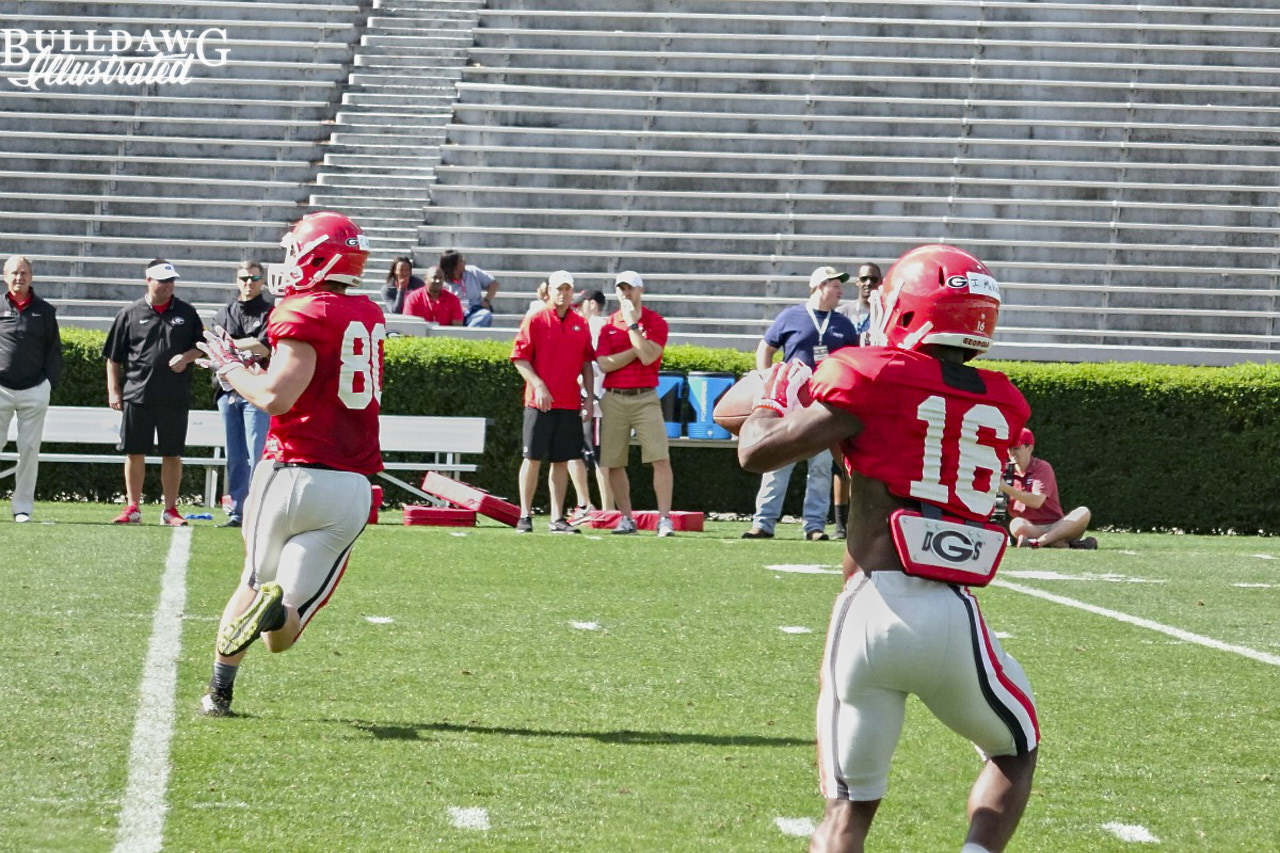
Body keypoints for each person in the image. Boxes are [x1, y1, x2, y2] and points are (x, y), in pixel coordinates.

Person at [736, 244, 1039, 853]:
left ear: (904, 306)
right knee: (1015, 746)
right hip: (954, 613)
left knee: (847, 812)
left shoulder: (867, 373)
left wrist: (772, 397)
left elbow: (755, 452)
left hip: (871, 604)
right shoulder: (1004, 401)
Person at [196, 211, 385, 717]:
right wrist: (258, 368)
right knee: (283, 628)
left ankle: (219, 693)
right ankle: (276, 611)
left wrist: (232, 368)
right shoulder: (367, 314)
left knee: (251, 582)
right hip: (348, 490)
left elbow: (277, 399)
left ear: (316, 257)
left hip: (289, 474)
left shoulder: (303, 310)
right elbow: (318, 380)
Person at [742, 266, 859, 542]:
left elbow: (854, 361)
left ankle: (814, 526)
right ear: (819, 286)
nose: (841, 291)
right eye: (835, 285)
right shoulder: (791, 316)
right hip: (790, 402)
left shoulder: (843, 324)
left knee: (819, 467)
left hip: (822, 404)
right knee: (777, 463)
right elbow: (766, 347)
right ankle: (763, 523)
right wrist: (766, 377)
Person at [103, 259, 204, 526]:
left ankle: (170, 510)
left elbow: (202, 346)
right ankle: (132, 507)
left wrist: (186, 357)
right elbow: (113, 357)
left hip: (174, 396)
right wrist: (114, 391)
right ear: (149, 280)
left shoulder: (186, 312)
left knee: (172, 453)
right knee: (135, 451)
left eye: (172, 281)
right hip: (137, 394)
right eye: (163, 281)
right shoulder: (130, 313)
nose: (169, 285)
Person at [509, 270, 595, 533]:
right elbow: (519, 358)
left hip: (568, 403)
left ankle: (557, 518)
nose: (563, 293)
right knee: (532, 458)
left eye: (568, 289)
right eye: (559, 288)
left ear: (573, 292)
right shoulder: (535, 319)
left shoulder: (580, 324)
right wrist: (539, 385)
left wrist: (589, 399)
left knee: (562, 460)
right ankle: (524, 515)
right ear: (549, 290)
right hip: (538, 404)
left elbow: (586, 364)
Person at [595, 271, 675, 537]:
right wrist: (636, 349)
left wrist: (631, 327)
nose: (625, 294)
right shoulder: (608, 324)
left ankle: (664, 519)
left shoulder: (656, 321)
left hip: (645, 396)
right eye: (621, 289)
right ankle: (627, 519)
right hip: (614, 396)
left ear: (640, 291)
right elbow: (606, 364)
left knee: (660, 457)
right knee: (614, 461)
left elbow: (650, 356)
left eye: (630, 288)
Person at [211, 260, 273, 528]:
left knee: (257, 454)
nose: (249, 283)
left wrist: (233, 345)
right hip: (227, 391)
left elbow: (265, 347)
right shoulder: (225, 311)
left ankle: (260, 509)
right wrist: (244, 346)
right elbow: (215, 342)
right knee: (235, 456)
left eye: (255, 278)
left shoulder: (271, 313)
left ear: (263, 281)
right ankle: (237, 510)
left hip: (257, 390)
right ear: (237, 281)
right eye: (245, 278)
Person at [0, 255, 62, 523]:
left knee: (29, 448)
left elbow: (54, 352)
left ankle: (22, 507)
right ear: (5, 276)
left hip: (34, 390)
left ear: (31, 277)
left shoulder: (45, 311)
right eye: (14, 273)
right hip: (0, 389)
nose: (19, 277)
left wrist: (48, 384)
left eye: (24, 273)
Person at [831, 262, 882, 537]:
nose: (867, 283)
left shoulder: (887, 314)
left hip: (876, 391)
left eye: (873, 279)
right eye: (863, 279)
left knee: (872, 459)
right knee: (840, 461)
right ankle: (841, 524)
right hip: (848, 388)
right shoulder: (842, 314)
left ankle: (869, 519)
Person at [1000, 427, 1096, 549]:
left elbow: (1037, 501)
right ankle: (1059, 543)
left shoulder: (1042, 467)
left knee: (1083, 512)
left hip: (1056, 524)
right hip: (1029, 526)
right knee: (1016, 524)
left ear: (1030, 448)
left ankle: (1038, 542)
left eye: (1016, 448)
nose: (1012, 452)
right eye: (1009, 448)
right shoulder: (1004, 470)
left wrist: (1006, 488)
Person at [570, 288, 613, 520]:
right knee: (587, 454)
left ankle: (605, 511)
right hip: (592, 399)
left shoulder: (596, 326)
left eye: (581, 304)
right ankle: (592, 507)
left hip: (595, 400)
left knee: (598, 456)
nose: (577, 309)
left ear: (592, 304)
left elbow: (596, 366)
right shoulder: (597, 326)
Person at [439, 249, 498, 327]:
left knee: (485, 315)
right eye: (461, 261)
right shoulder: (442, 282)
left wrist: (486, 300)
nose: (464, 262)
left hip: (475, 311)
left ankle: (468, 335)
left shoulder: (472, 271)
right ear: (453, 266)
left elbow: (493, 283)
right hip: (454, 315)